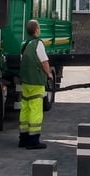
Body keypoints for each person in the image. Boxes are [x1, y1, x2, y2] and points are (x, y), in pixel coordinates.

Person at [18, 19, 53, 150]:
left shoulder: (24, 44)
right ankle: (33, 140)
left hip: (25, 81)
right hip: (36, 81)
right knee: (35, 109)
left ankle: (23, 138)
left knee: (25, 108)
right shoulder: (38, 44)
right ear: (37, 30)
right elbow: (44, 61)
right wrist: (49, 74)